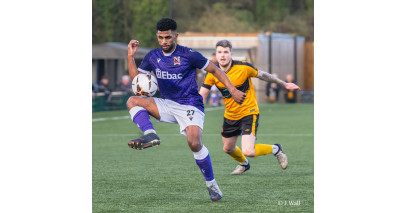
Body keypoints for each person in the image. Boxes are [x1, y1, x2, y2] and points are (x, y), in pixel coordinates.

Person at [126, 18, 246, 201]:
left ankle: (212, 185)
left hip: (190, 104)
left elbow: (215, 70)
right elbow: (137, 82)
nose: (164, 41)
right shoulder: (152, 56)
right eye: (160, 37)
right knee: (133, 101)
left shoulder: (189, 55)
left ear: (175, 36)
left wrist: (232, 89)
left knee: (194, 143)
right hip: (167, 104)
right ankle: (150, 134)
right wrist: (130, 57)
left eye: (167, 37)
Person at [199, 40, 300, 175]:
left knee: (248, 151)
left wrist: (283, 83)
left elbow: (264, 75)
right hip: (230, 115)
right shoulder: (212, 72)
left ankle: (276, 149)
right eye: (219, 52)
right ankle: (244, 164)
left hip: (248, 111)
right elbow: (202, 94)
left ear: (231, 54)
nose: (222, 55)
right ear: (216, 54)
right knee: (228, 148)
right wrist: (195, 114)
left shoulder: (243, 67)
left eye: (225, 52)